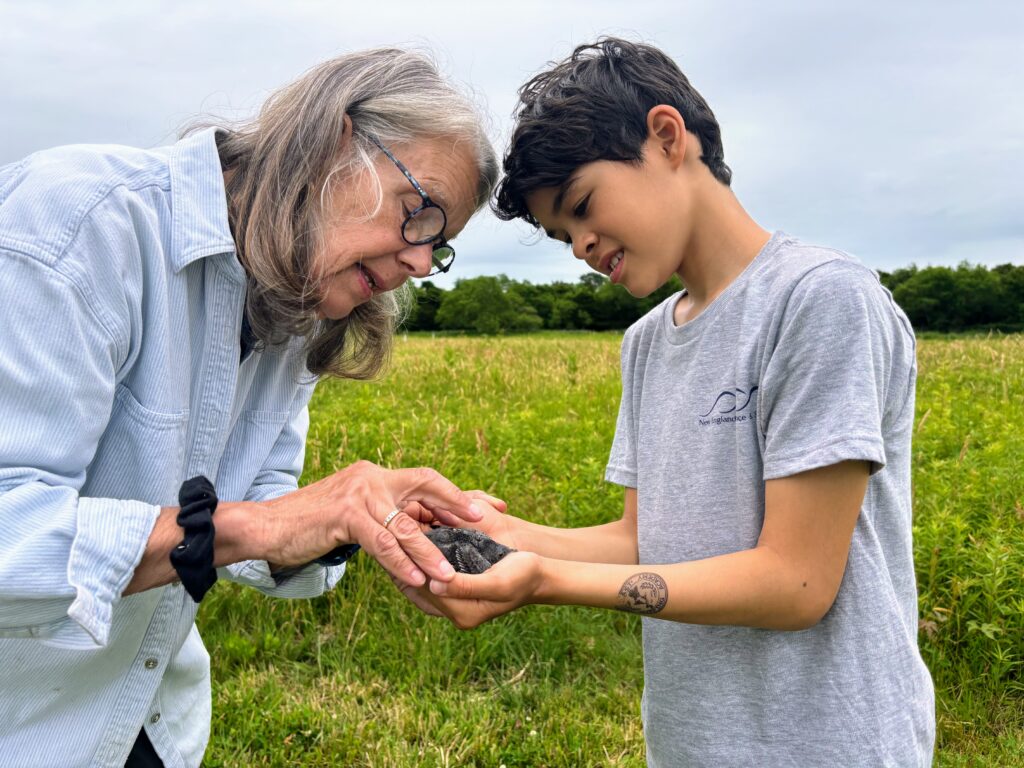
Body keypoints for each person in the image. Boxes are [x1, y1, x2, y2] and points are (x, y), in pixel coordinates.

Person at [403, 38, 936, 766]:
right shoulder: (648, 342)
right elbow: (643, 540)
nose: (584, 246)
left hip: (832, 740)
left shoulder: (819, 300)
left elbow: (798, 581)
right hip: (696, 743)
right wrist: (502, 534)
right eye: (564, 237)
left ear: (666, 136)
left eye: (583, 206)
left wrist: (548, 581)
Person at [0, 48, 497, 767]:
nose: (421, 262)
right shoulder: (78, 226)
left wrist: (359, 523)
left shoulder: (297, 291)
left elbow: (260, 515)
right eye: (419, 214)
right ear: (334, 144)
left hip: (144, 720)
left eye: (439, 246)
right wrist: (255, 525)